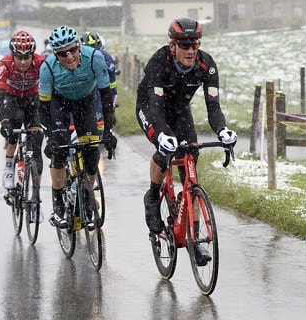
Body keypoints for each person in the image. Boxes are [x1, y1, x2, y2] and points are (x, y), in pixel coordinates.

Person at [136, 17, 237, 266]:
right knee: (165, 150)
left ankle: (195, 240)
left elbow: (213, 106)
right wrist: (162, 135)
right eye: (184, 45)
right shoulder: (159, 62)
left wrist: (222, 130)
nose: (190, 50)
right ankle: (152, 196)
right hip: (151, 108)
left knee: (190, 161)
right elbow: (156, 107)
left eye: (194, 44)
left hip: (180, 111)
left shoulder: (206, 64)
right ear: (173, 45)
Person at [39, 25, 117, 228]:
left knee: (92, 152)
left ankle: (86, 192)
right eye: (63, 54)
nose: (69, 57)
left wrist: (109, 130)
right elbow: (44, 108)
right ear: (55, 54)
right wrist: (50, 137)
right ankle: (57, 204)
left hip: (86, 101)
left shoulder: (94, 58)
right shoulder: (47, 68)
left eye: (73, 50)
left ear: (79, 46)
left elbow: (106, 97)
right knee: (60, 147)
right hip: (59, 103)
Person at [0, 31, 45, 223]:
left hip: (33, 101)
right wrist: (4, 122)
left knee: (37, 147)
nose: (23, 61)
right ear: (12, 55)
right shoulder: (4, 65)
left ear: (32, 55)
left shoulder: (41, 63)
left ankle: (35, 199)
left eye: (27, 57)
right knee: (13, 128)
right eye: (19, 57)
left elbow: (49, 92)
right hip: (12, 99)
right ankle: (9, 167)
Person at [79, 31, 119, 133]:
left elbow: (112, 86)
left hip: (100, 96)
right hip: (85, 97)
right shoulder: (76, 58)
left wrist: (111, 109)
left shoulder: (105, 57)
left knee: (100, 130)